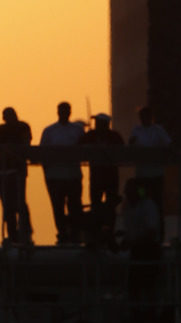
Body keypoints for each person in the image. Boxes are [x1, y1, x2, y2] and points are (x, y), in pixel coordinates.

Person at [39, 101, 85, 245]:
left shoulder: (77, 130)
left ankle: (75, 233)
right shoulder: (49, 131)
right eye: (62, 110)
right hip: (55, 177)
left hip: (73, 176)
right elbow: (42, 154)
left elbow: (84, 150)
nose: (64, 113)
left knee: (75, 206)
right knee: (58, 207)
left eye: (66, 110)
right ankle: (62, 233)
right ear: (58, 112)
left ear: (69, 112)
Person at [0, 106, 32, 245]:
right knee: (7, 204)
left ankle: (25, 231)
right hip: (3, 170)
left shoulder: (23, 127)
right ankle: (12, 234)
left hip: (17, 170)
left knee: (20, 202)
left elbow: (26, 144)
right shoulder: (0, 129)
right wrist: (7, 147)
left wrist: (8, 147)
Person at [128, 105, 172, 238]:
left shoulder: (158, 130)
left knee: (157, 203)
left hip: (156, 176)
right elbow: (131, 145)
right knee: (142, 201)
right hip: (142, 177)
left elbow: (168, 145)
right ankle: (141, 232)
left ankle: (160, 234)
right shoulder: (136, 130)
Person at [80, 112, 124, 245]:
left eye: (99, 122)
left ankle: (109, 233)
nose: (96, 124)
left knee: (110, 206)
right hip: (96, 177)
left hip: (110, 176)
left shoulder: (114, 136)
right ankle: (96, 233)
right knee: (96, 206)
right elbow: (79, 146)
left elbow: (122, 151)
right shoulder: (91, 135)